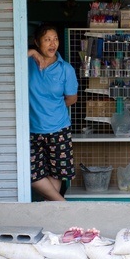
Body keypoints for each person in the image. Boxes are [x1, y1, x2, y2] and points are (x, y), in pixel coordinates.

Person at [28, 24, 79, 201]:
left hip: (58, 129)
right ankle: (63, 205)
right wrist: (31, 53)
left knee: (57, 175)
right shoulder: (27, 64)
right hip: (32, 130)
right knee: (31, 174)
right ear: (36, 42)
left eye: (55, 39)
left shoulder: (66, 69)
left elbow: (71, 99)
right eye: (47, 39)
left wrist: (50, 109)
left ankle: (52, 216)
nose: (53, 43)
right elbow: (7, 61)